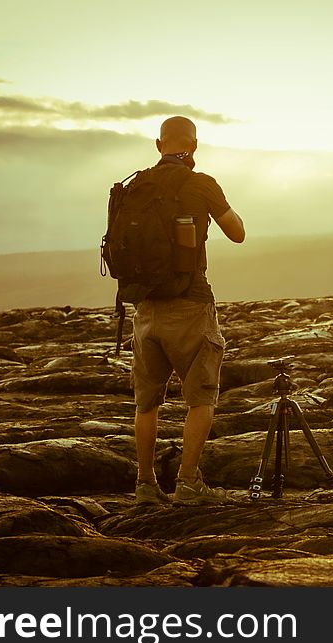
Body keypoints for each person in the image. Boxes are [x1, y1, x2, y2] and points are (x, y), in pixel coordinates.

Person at [132, 116, 245, 505]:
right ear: (194, 147)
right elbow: (237, 232)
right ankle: (188, 482)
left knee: (147, 403)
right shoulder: (201, 184)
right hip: (191, 305)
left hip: (145, 309)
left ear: (157, 144)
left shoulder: (136, 185)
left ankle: (145, 484)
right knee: (201, 398)